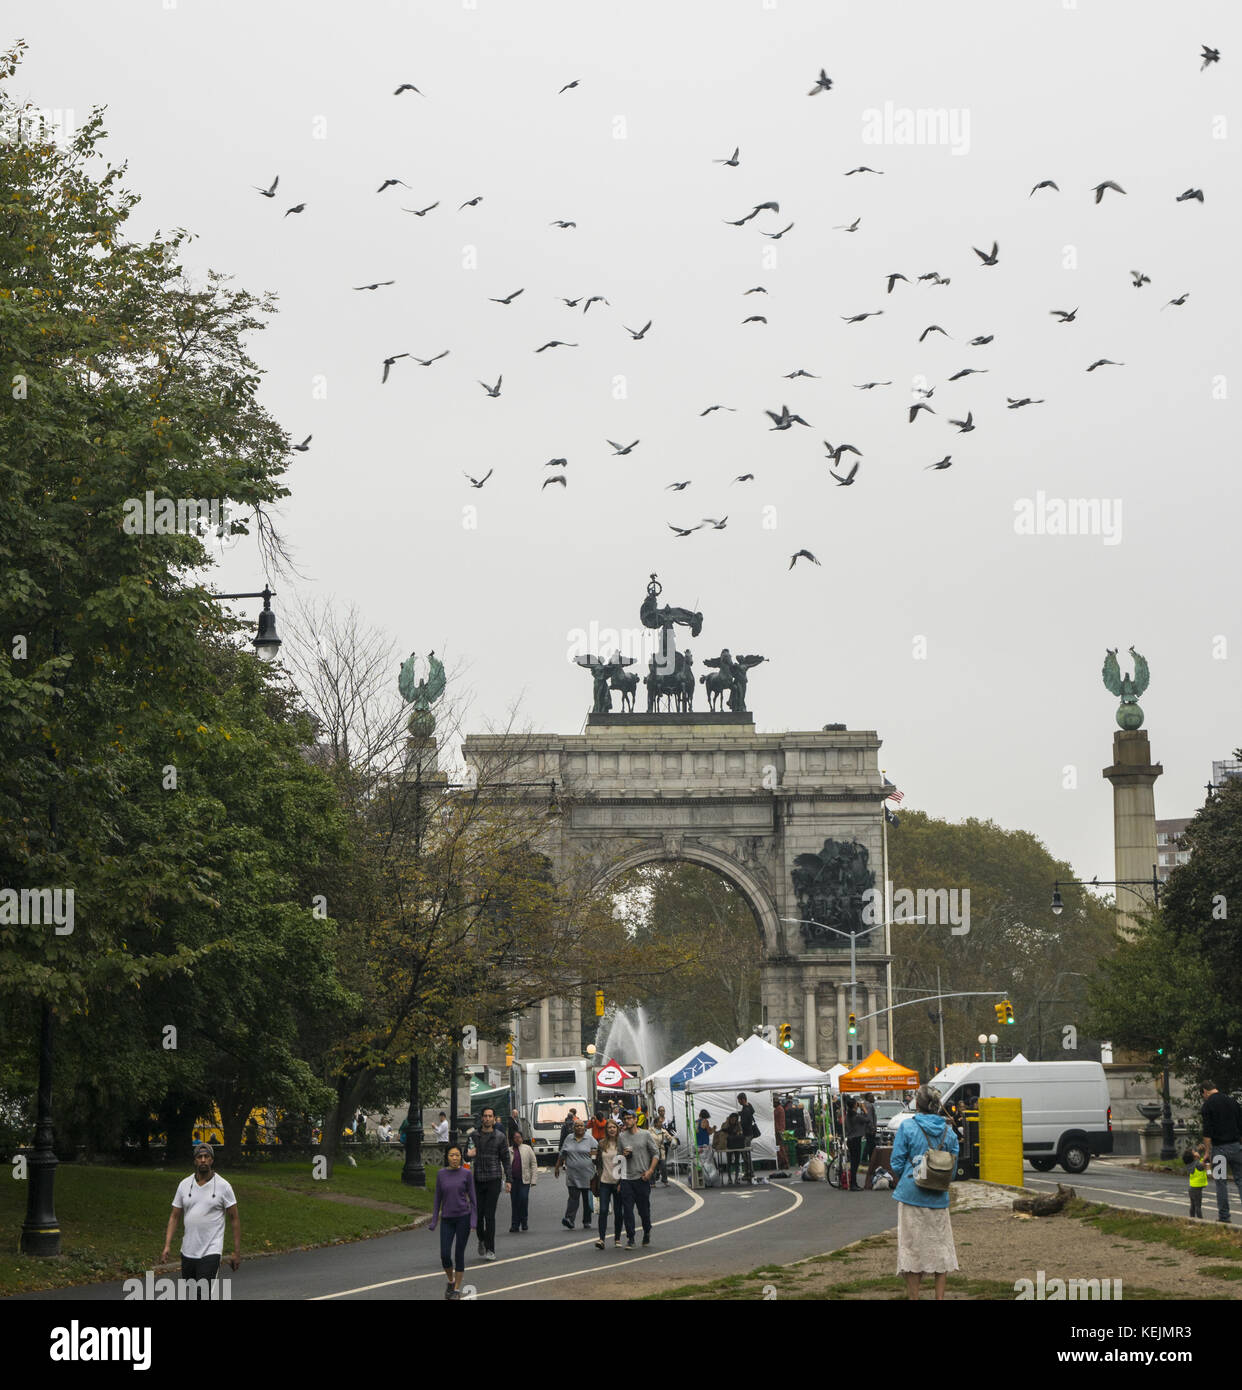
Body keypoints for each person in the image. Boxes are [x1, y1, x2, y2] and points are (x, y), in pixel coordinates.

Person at [889, 1085, 959, 1300]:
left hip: (911, 1194)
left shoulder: (907, 1127)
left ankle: (914, 1297)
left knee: (912, 1249)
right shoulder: (949, 1133)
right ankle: (939, 1297)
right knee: (940, 1249)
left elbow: (896, 1162)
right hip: (938, 1196)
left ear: (917, 1104)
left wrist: (912, 1175)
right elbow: (953, 1171)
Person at [161, 1142, 241, 1289]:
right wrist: (167, 1245)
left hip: (211, 1250)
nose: (203, 1160)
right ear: (195, 1160)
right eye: (199, 1157)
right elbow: (174, 1216)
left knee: (201, 1293)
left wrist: (236, 1251)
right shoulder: (184, 1185)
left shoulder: (224, 1186)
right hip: (188, 1251)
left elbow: (234, 1219)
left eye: (206, 1156)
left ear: (212, 1160)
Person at [429, 1142, 477, 1299]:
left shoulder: (466, 1174)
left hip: (463, 1217)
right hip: (447, 1219)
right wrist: (434, 1220)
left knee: (459, 1254)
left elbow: (473, 1200)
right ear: (447, 1157)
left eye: (457, 1155)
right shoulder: (441, 1174)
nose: (455, 1158)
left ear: (461, 1157)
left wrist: (473, 1221)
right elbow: (437, 1199)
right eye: (451, 1155)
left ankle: (456, 1290)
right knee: (444, 1254)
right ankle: (450, 1280)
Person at [465, 1107, 510, 1261]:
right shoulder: (473, 1136)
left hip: (494, 1178)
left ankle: (491, 1249)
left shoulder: (500, 1137)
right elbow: (465, 1156)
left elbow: (505, 1159)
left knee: (489, 1216)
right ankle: (482, 1239)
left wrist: (509, 1179)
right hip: (477, 1179)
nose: (487, 1119)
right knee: (478, 1216)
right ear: (482, 1119)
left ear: (494, 1118)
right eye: (485, 1116)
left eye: (490, 1116)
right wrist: (468, 1154)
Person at [1201, 1081, 1242, 1223]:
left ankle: (1224, 1217)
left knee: (1221, 1183)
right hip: (1236, 1147)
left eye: (1203, 1095)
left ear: (1205, 1091)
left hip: (1219, 1149)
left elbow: (1207, 1132)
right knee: (1241, 1180)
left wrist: (1207, 1152)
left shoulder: (1207, 1105)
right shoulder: (1232, 1102)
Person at [619, 1110, 660, 1247]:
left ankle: (647, 1230)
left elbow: (656, 1154)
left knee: (644, 1211)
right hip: (626, 1179)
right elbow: (619, 1157)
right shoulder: (622, 1137)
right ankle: (631, 1238)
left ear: (635, 1120)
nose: (627, 1121)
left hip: (642, 1178)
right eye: (625, 1119)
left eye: (629, 1118)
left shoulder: (645, 1134)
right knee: (627, 1211)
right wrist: (623, 1155)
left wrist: (650, 1171)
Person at [555, 1117, 598, 1229]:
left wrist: (595, 1161)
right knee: (573, 1198)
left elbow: (596, 1152)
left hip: (587, 1174)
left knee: (586, 1199)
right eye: (577, 1126)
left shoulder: (590, 1139)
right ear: (573, 1128)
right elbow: (563, 1153)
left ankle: (587, 1221)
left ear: (585, 1128)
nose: (579, 1127)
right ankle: (569, 1219)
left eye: (581, 1126)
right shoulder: (569, 1138)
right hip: (572, 1175)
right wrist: (557, 1167)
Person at [594, 1119, 626, 1249]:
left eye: (614, 1127)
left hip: (618, 1181)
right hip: (604, 1181)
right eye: (609, 1128)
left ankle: (617, 1238)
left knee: (619, 1212)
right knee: (603, 1210)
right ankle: (601, 1239)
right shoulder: (601, 1144)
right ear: (606, 1130)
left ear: (617, 1129)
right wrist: (593, 1157)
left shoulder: (622, 1144)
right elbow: (597, 1162)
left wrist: (622, 1181)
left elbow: (626, 1163)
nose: (612, 1129)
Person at [508, 1129, 538, 1232]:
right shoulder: (509, 1150)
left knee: (523, 1199)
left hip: (524, 1180)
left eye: (519, 1137)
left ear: (522, 1138)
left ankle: (524, 1221)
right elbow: (505, 1166)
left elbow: (533, 1164)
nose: (517, 1139)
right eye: (515, 1138)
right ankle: (515, 1224)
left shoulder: (527, 1148)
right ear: (512, 1139)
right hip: (513, 1180)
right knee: (515, 1202)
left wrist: (533, 1179)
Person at [845, 1097, 869, 1191]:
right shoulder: (857, 1116)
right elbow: (867, 1119)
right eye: (856, 1103)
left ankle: (853, 1183)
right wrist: (864, 1109)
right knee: (855, 1163)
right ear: (855, 1105)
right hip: (855, 1140)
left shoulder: (849, 1115)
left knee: (853, 1163)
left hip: (850, 1140)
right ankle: (853, 1184)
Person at [1183, 1140, 1208, 1219]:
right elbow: (1201, 1166)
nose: (1196, 1152)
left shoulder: (1190, 1163)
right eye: (1194, 1152)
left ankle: (1192, 1219)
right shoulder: (1197, 1163)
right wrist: (1205, 1159)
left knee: (1193, 1205)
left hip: (1192, 1187)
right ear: (1194, 1157)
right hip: (1197, 1189)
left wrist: (1200, 1150)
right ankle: (1201, 1221)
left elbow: (1196, 1156)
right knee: (1198, 1206)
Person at [722, 1112, 745, 1185]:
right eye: (732, 1119)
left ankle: (736, 1178)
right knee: (729, 1162)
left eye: (735, 1119)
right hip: (728, 1145)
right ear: (730, 1118)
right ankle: (729, 1178)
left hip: (737, 1145)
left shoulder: (738, 1124)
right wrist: (727, 1121)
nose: (733, 1120)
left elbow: (741, 1132)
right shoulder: (726, 1123)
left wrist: (740, 1132)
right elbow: (723, 1129)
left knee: (737, 1162)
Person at [772, 1094, 788, 1175]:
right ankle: (783, 1162)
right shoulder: (780, 1109)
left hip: (779, 1130)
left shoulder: (778, 1109)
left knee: (780, 1147)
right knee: (780, 1147)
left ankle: (784, 1162)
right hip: (780, 1130)